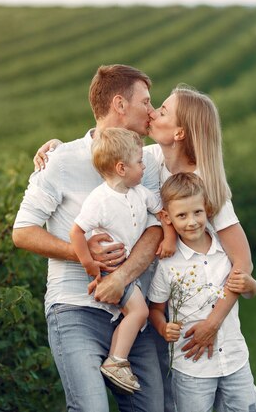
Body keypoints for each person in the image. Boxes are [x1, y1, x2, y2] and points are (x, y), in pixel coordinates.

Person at [32, 82, 256, 410]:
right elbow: (106, 154)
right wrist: (57, 149)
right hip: (158, 308)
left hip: (200, 315)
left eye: (162, 110)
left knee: (232, 402)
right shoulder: (149, 161)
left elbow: (243, 264)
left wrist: (212, 325)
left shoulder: (204, 185)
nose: (152, 112)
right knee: (174, 401)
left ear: (180, 133)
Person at [13, 64, 164, 411]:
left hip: (131, 313)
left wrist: (122, 277)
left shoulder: (148, 162)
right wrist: (80, 254)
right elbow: (22, 231)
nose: (151, 111)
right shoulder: (60, 160)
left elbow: (155, 228)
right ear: (119, 104)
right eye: (146, 101)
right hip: (74, 309)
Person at [148, 172, 256, 412]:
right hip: (193, 366)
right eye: (181, 215)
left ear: (207, 210)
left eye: (197, 212)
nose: (192, 221)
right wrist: (163, 327)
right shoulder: (168, 265)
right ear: (167, 217)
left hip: (234, 358)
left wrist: (251, 285)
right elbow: (155, 309)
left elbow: (250, 290)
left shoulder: (225, 252)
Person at [69, 127, 164, 394]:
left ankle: (117, 359)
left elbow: (161, 214)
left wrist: (167, 238)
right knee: (140, 312)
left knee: (137, 311)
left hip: (125, 270)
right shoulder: (99, 200)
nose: (144, 167)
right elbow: (76, 232)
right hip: (111, 269)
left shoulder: (139, 193)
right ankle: (116, 361)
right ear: (122, 168)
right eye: (139, 162)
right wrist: (88, 263)